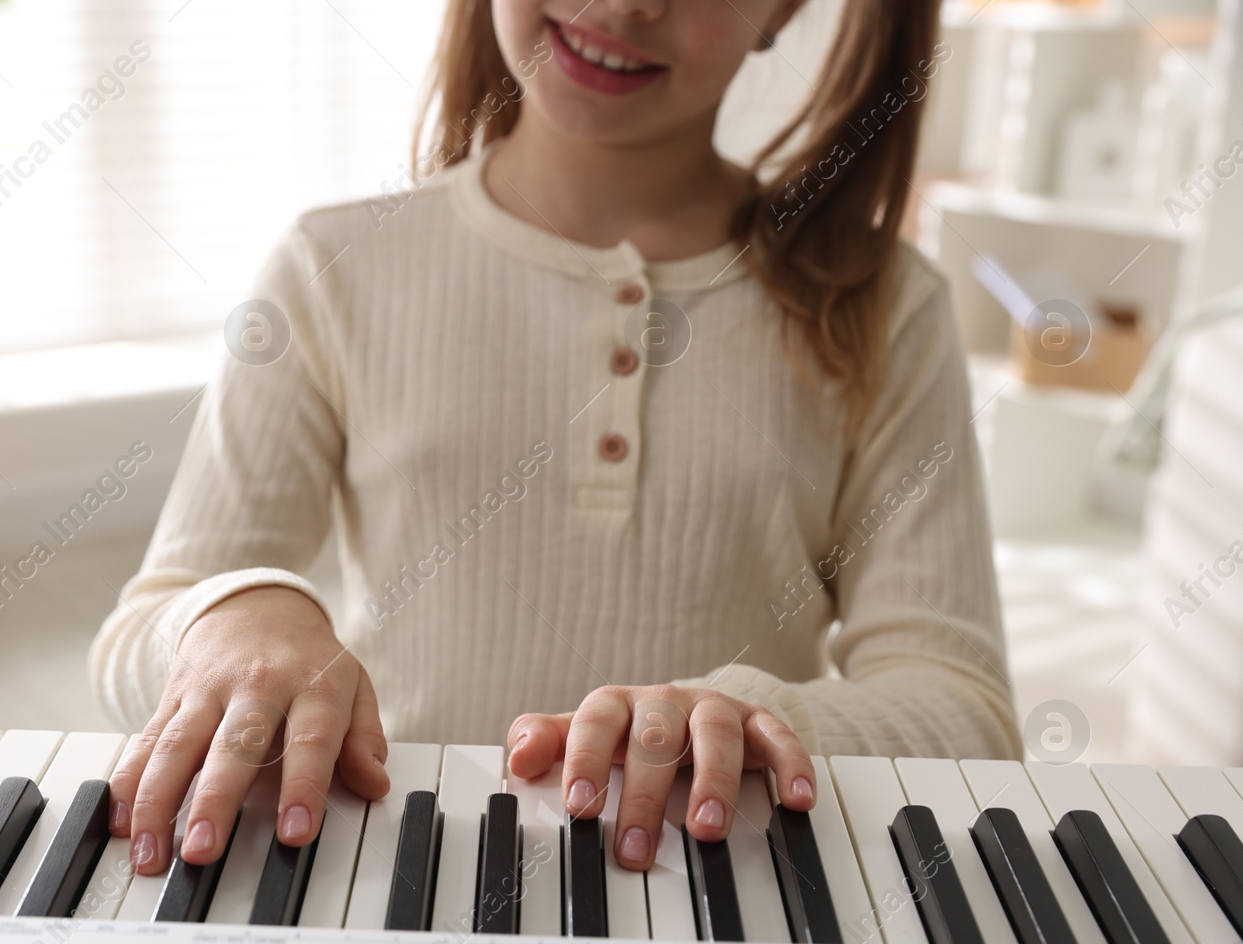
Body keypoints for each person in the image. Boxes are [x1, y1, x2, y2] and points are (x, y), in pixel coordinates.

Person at [90, 0, 1016, 880]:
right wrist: (233, 615)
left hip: (712, 879)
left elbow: (965, 711)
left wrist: (760, 714)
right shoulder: (333, 266)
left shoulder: (892, 309)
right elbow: (145, 629)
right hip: (392, 870)